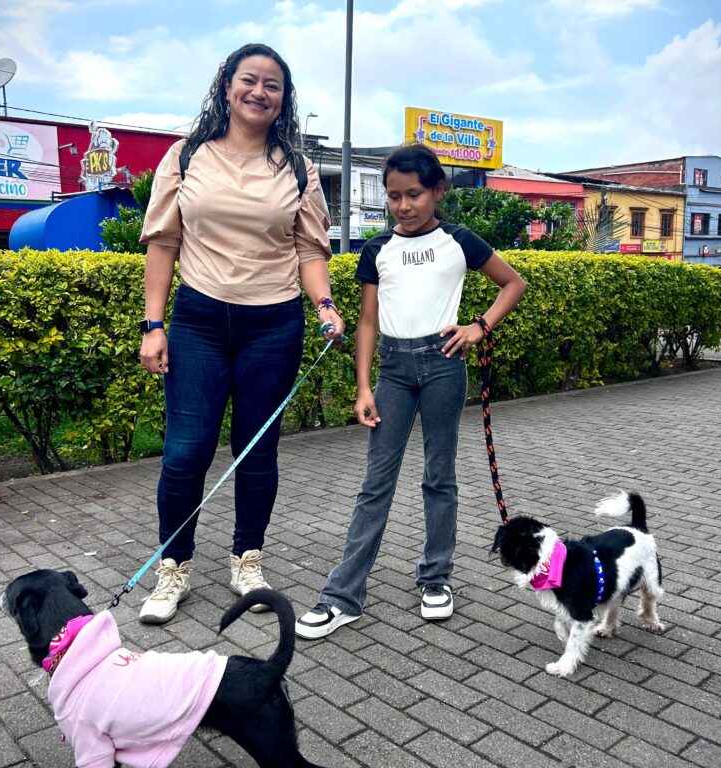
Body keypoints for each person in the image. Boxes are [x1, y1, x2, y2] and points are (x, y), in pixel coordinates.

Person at [136, 43, 345, 624]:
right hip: (199, 320)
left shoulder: (297, 168)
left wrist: (324, 303)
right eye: (248, 80)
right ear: (227, 86)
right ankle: (172, 566)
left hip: (274, 324)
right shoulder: (186, 157)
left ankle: (246, 558)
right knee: (185, 454)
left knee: (257, 452)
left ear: (284, 99)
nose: (259, 92)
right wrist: (154, 326)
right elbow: (163, 243)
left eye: (272, 85)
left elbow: (309, 249)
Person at [295, 143, 527, 639]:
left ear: (438, 190)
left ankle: (436, 578)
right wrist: (363, 387)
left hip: (445, 364)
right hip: (394, 370)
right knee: (375, 484)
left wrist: (478, 326)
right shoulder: (377, 250)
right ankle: (342, 596)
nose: (403, 205)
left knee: (439, 478)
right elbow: (368, 321)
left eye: (415, 194)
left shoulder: (459, 240)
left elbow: (513, 283)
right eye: (394, 196)